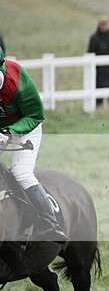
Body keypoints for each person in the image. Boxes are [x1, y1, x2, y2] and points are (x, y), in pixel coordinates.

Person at [0, 46, 66, 242]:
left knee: (21, 172)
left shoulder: (17, 81)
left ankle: (50, 223)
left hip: (25, 127)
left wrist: (8, 133)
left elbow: (35, 115)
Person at [87, 16, 109, 107]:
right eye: (102, 25)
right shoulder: (94, 38)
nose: (104, 27)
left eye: (105, 24)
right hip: (99, 68)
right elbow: (90, 52)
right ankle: (98, 106)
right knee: (99, 87)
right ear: (99, 25)